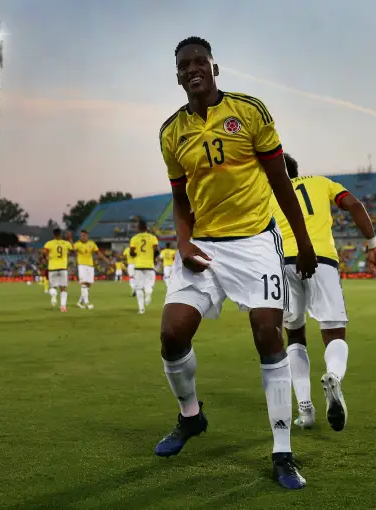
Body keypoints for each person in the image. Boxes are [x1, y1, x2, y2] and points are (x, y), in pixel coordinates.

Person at [155, 36, 317, 490]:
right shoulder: (171, 132)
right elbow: (180, 198)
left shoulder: (250, 111)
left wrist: (300, 241)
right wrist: (183, 243)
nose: (192, 70)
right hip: (204, 244)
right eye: (184, 65)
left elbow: (280, 180)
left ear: (214, 67)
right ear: (178, 76)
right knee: (172, 333)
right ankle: (191, 416)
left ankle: (282, 452)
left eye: (199, 62)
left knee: (269, 334)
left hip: (253, 242)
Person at [270, 153, 376, 430]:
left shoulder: (268, 195)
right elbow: (355, 205)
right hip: (322, 259)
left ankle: (305, 410)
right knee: (334, 332)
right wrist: (373, 245)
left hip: (284, 262)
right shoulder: (322, 183)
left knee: (295, 335)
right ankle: (333, 375)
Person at [129, 219, 159, 314]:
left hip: (138, 265)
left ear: (138, 228)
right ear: (147, 227)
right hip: (149, 265)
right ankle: (148, 294)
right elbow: (156, 250)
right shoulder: (153, 237)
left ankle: (141, 309)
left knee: (138, 287)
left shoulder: (134, 238)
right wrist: (153, 259)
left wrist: (135, 255)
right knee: (149, 284)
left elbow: (132, 252)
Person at [43, 227, 73, 312]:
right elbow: (73, 250)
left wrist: (46, 258)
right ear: (60, 234)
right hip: (63, 268)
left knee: (52, 287)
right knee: (63, 288)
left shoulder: (49, 243)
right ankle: (63, 307)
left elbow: (43, 252)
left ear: (53, 234)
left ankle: (53, 295)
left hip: (52, 268)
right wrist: (70, 238)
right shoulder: (66, 243)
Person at [73, 230, 104, 309]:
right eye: (81, 235)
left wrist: (104, 259)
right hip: (82, 266)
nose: (82, 237)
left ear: (87, 236)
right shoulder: (77, 244)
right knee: (83, 284)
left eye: (84, 235)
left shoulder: (92, 243)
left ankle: (79, 303)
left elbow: (98, 252)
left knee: (88, 285)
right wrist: (70, 240)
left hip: (90, 266)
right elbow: (72, 249)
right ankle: (87, 303)